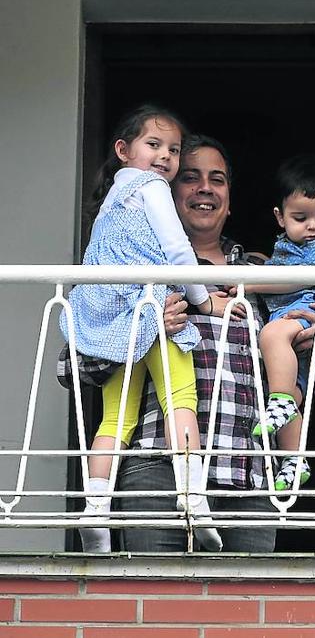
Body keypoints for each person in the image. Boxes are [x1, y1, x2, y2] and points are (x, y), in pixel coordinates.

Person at [58, 134, 315, 552]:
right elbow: (73, 367)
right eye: (190, 177)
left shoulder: (267, 272)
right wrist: (138, 328)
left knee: (248, 611)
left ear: (229, 200)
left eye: (217, 179)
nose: (205, 188)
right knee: (152, 606)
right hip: (157, 470)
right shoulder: (130, 271)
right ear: (165, 190)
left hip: (248, 473)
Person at [59, 105, 233, 553]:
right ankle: (194, 500)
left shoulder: (111, 202)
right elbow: (176, 250)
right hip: (154, 306)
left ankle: (95, 510)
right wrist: (204, 299)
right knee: (181, 397)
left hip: (114, 316)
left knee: (114, 417)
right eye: (154, 145)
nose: (165, 158)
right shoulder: (152, 187)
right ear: (124, 149)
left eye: (172, 149)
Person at [250, 154, 315, 492]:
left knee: (271, 334)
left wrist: (248, 281)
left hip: (312, 310)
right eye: (300, 217)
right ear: (280, 218)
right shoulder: (284, 247)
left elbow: (299, 278)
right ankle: (294, 461)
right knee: (290, 391)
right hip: (297, 319)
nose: (313, 226)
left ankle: (281, 404)